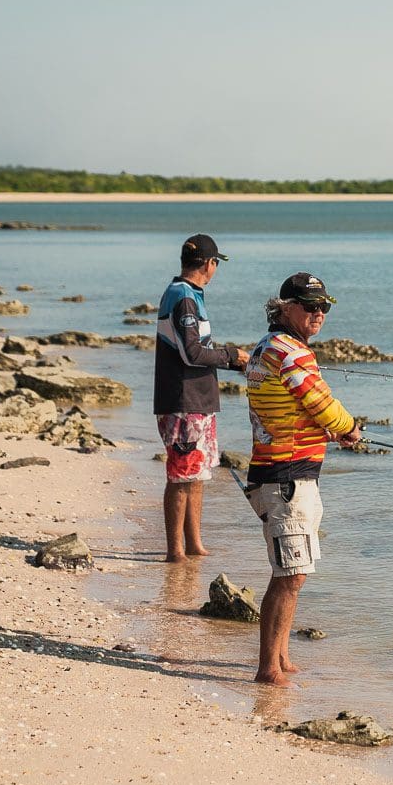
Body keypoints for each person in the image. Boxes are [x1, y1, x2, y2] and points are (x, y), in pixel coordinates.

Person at [245, 272, 362, 686]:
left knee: (293, 571)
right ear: (285, 308)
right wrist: (348, 428)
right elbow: (322, 404)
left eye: (324, 306)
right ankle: (268, 670)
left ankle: (281, 657)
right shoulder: (292, 353)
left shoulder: (265, 346)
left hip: (276, 471)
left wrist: (323, 429)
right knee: (290, 575)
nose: (318, 313)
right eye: (310, 306)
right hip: (287, 479)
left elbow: (290, 411)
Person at [154, 233, 249, 563]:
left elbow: (197, 349)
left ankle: (193, 544)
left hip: (199, 401)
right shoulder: (182, 297)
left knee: (198, 474)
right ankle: (175, 552)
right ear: (210, 264)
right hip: (183, 403)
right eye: (216, 263)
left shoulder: (190, 294)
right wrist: (231, 356)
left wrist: (233, 361)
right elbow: (192, 353)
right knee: (181, 477)